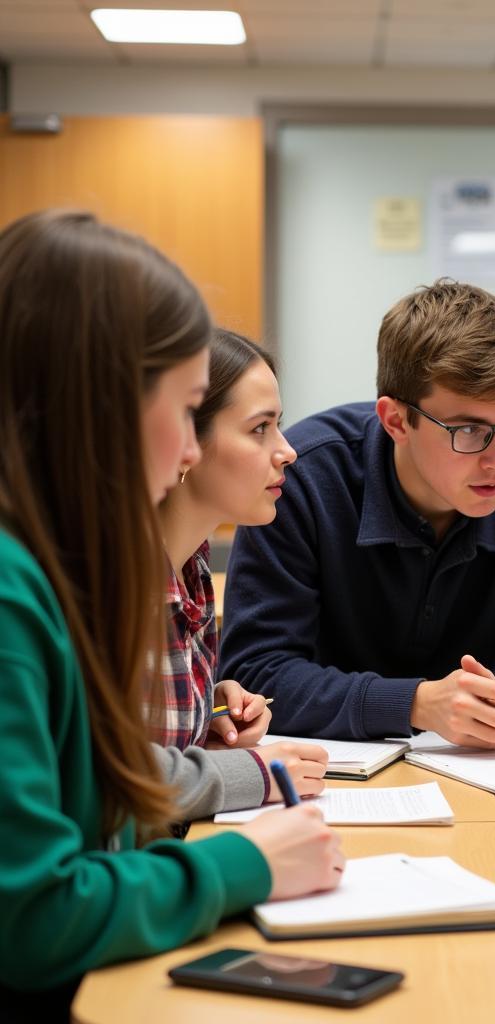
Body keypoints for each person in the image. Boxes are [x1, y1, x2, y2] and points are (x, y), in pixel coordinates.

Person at [0, 210, 345, 1015]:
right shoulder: (17, 594)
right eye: (185, 409)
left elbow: (100, 813)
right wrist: (247, 866)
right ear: (107, 403)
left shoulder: (49, 569)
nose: (189, 452)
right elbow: (33, 919)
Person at [220, 279, 495, 747]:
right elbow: (255, 672)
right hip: (331, 772)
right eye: (469, 431)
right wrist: (415, 705)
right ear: (395, 421)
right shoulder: (302, 475)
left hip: (489, 770)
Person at [154, 328, 327, 817]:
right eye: (260, 429)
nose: (288, 451)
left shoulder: (192, 565)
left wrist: (204, 714)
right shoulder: (107, 584)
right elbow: (103, 776)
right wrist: (255, 773)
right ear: (186, 443)